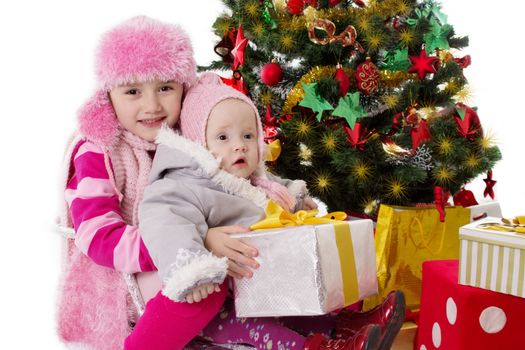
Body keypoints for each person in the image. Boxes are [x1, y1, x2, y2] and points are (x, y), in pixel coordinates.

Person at [128, 72, 405, 350]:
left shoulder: (252, 179)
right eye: (223, 137)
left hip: (255, 288)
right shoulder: (183, 185)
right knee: (261, 328)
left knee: (292, 309)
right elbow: (164, 222)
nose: (239, 145)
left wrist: (296, 200)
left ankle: (344, 325)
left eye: (248, 135)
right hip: (211, 301)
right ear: (200, 144)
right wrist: (192, 268)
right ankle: (315, 348)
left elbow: (276, 189)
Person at [57, 16, 229, 350]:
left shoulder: (189, 135)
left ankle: (319, 334)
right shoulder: (98, 151)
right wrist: (190, 245)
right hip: (119, 276)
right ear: (110, 94)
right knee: (205, 282)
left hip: (188, 254)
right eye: (133, 91)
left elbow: (240, 175)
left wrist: (284, 196)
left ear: (184, 87)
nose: (152, 106)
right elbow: (97, 234)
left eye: (165, 87)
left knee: (256, 259)